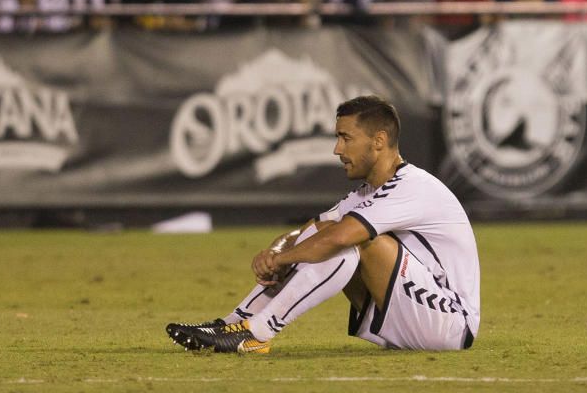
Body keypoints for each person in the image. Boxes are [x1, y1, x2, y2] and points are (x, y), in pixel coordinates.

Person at [167, 95, 480, 354]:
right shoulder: (370, 191)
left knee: (347, 241)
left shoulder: (413, 186)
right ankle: (232, 323)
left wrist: (282, 259)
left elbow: (340, 236)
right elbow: (314, 227)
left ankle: (256, 333)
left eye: (346, 138)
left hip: (449, 323)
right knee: (324, 236)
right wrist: (277, 249)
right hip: (408, 315)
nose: (337, 149)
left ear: (379, 141)